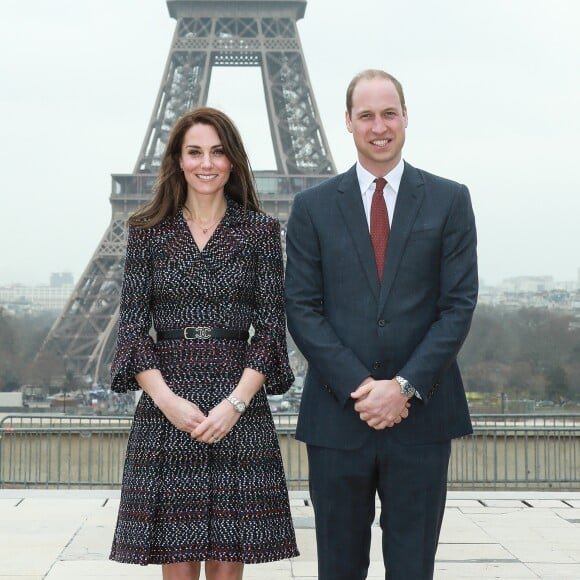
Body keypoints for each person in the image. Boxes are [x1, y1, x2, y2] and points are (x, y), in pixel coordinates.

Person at [284, 69, 478, 580]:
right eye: (366, 115)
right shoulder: (312, 207)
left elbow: (458, 306)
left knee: (413, 569)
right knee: (339, 570)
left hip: (422, 420)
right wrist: (362, 386)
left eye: (388, 113)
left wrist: (404, 388)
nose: (379, 126)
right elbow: (301, 307)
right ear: (347, 122)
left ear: (406, 118)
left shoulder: (450, 199)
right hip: (338, 419)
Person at [109, 107, 299, 579]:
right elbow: (133, 327)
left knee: (228, 565)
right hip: (169, 400)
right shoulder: (147, 232)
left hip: (238, 401)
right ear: (178, 159)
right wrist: (166, 400)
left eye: (217, 152)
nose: (206, 163)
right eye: (194, 152)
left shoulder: (259, 232)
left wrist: (235, 403)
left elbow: (271, 328)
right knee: (176, 564)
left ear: (233, 161)